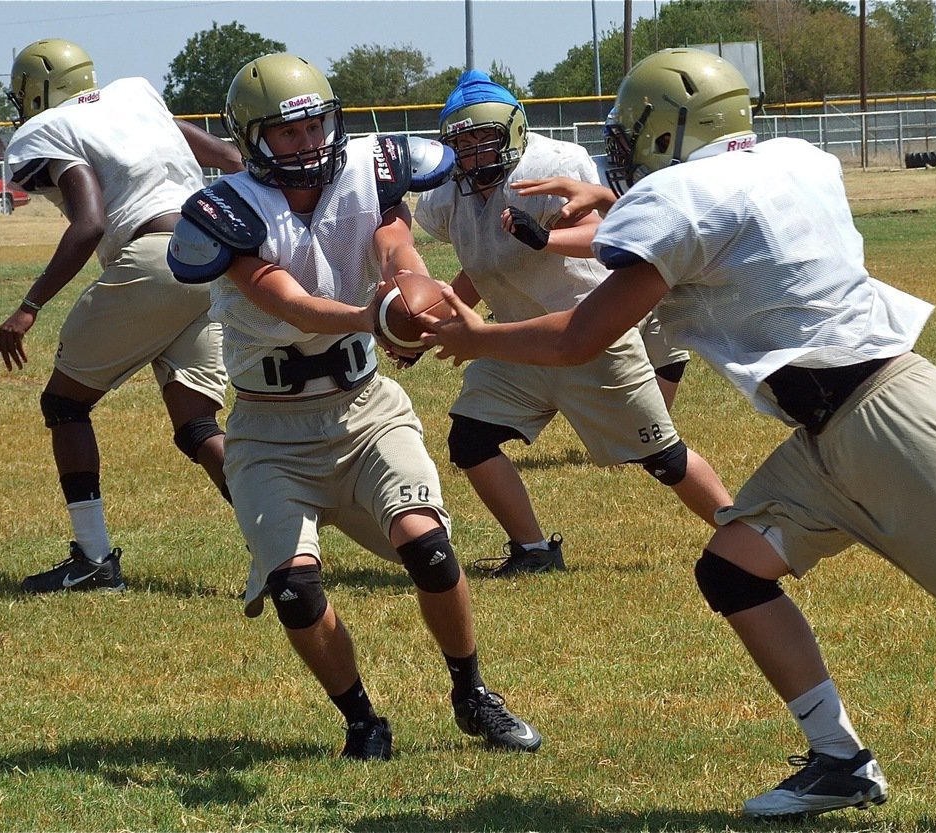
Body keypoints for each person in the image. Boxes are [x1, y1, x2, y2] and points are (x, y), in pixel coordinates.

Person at [421, 49, 936, 817]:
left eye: (632, 130)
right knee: (732, 570)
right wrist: (612, 197)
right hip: (845, 421)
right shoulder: (792, 157)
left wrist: (477, 340)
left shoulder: (683, 197)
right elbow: (721, 210)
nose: (623, 144)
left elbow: (580, 334)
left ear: (670, 128)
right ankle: (840, 760)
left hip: (877, 423)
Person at [166, 53, 541, 760]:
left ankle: (473, 694)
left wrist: (412, 296)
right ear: (252, 139)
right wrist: (371, 318)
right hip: (269, 428)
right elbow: (289, 300)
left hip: (364, 407)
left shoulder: (369, 174)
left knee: (428, 545)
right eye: (288, 132)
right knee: (295, 590)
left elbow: (397, 248)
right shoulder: (228, 210)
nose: (309, 144)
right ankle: (363, 720)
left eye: (316, 126)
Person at [413, 70, 731, 577]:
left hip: (587, 333)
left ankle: (742, 533)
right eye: (463, 142)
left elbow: (607, 236)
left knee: (662, 458)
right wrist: (430, 323)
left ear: (513, 134)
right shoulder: (451, 192)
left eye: (483, 139)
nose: (473, 154)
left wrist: (545, 239)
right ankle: (533, 551)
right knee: (470, 439)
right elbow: (479, 268)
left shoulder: (553, 164)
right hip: (516, 340)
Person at [0, 38, 244, 594]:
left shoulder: (46, 129)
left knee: (64, 403)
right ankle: (282, 550)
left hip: (153, 260)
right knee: (199, 427)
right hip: (211, 257)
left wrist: (28, 307)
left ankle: (94, 559)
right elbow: (229, 159)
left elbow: (88, 222)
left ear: (37, 89)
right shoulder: (134, 94)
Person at [502, 181, 690, 410]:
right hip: (616, 284)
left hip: (657, 274)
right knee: (617, 367)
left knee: (672, 359)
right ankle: (651, 438)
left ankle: (658, 432)